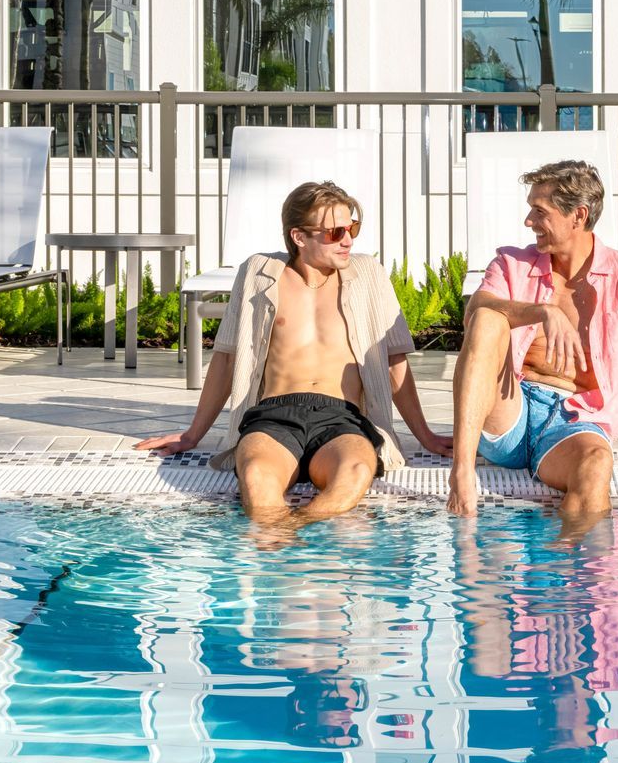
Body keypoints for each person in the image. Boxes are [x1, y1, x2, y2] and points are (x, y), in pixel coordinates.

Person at [137, 181, 446, 524]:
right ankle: (283, 541)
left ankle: (288, 534)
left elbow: (393, 360)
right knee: (256, 477)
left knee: (357, 471)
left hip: (343, 418)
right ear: (299, 237)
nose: (349, 240)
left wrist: (425, 435)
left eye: (352, 227)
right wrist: (193, 434)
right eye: (335, 232)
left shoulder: (368, 274)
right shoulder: (259, 273)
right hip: (274, 416)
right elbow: (227, 357)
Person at [446, 160, 618, 527]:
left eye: (539, 212)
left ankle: (565, 570)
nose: (528, 221)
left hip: (576, 420)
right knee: (488, 318)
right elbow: (474, 312)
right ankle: (462, 473)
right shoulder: (512, 262)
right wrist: (541, 311)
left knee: (596, 466)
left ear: (578, 215)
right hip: (509, 408)